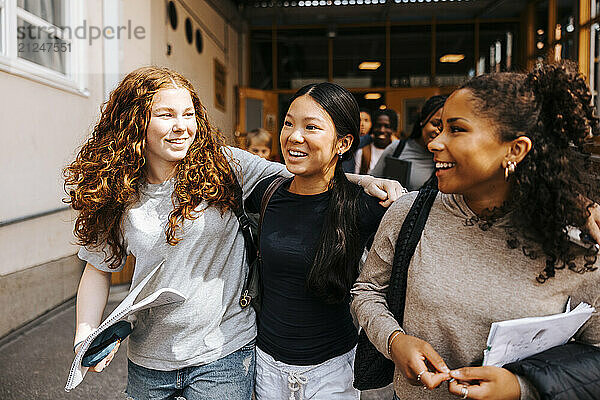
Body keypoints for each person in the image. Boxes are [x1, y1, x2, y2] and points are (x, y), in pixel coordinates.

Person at [64, 66, 400, 400]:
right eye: (166, 115)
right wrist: (85, 335)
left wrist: (367, 181)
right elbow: (98, 267)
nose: (181, 127)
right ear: (134, 122)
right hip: (150, 357)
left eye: (188, 114)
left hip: (226, 352)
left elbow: (305, 173)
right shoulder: (115, 190)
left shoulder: (222, 166)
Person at [351, 63, 600, 400]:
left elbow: (593, 357)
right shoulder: (411, 213)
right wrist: (394, 341)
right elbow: (367, 291)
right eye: (438, 128)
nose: (435, 143)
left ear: (515, 149)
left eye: (456, 129)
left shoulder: (576, 246)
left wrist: (522, 388)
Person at [246, 83, 399, 400]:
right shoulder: (267, 195)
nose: (293, 136)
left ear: (343, 142)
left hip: (333, 374)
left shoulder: (364, 205)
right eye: (288, 123)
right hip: (266, 368)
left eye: (310, 127)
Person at [370, 95, 447, 191]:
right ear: (423, 121)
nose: (438, 131)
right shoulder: (397, 148)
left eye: (444, 127)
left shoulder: (447, 159)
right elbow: (372, 182)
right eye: (435, 124)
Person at [355, 109, 397, 174]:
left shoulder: (398, 151)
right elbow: (355, 180)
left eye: (387, 126)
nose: (382, 130)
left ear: (393, 129)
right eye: (378, 126)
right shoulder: (363, 152)